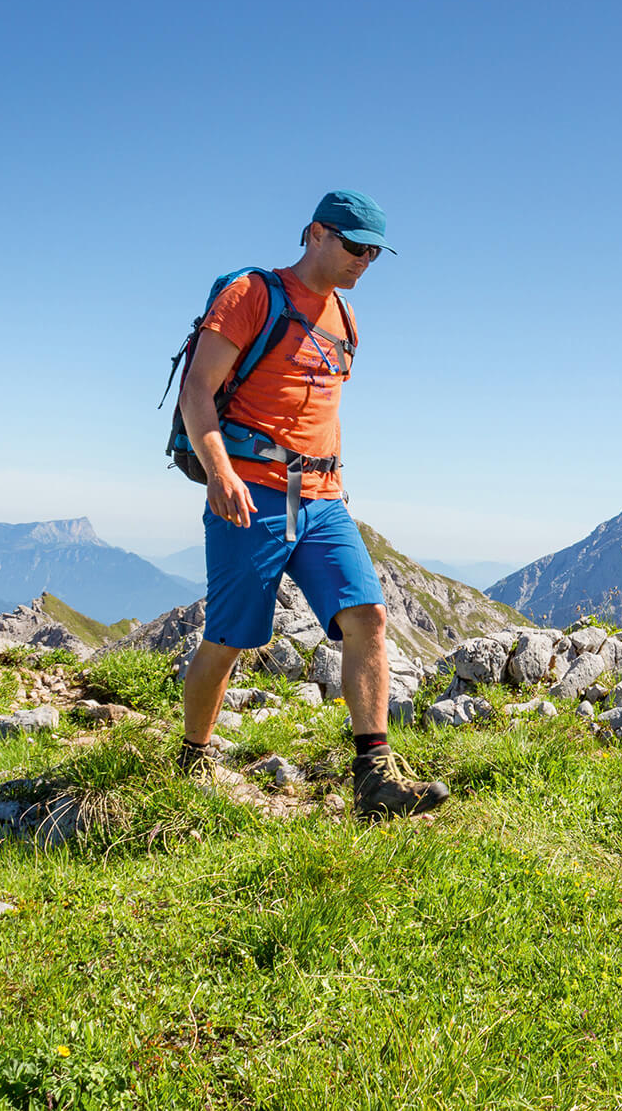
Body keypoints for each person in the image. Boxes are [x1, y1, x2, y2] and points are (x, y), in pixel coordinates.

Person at [174, 189, 448, 820]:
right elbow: (198, 390)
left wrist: (334, 484)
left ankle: (374, 775)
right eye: (356, 246)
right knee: (231, 636)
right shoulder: (251, 296)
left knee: (369, 617)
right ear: (315, 233)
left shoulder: (345, 320)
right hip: (252, 491)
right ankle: (191, 757)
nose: (365, 261)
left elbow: (319, 411)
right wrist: (219, 473)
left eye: (376, 252)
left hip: (321, 498)